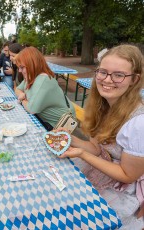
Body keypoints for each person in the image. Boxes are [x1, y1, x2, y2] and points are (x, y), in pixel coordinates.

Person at [57, 44, 144, 229]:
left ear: (134, 80)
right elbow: (97, 149)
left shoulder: (139, 123)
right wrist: (71, 138)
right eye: (102, 72)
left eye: (118, 75)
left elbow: (127, 175)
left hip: (122, 190)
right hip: (102, 172)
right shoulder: (104, 105)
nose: (107, 80)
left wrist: (81, 153)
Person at [14, 46, 75, 131]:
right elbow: (17, 89)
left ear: (32, 64)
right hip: (45, 120)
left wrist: (22, 100)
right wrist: (21, 94)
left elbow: (32, 109)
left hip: (60, 125)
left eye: (22, 67)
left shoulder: (43, 80)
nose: (20, 71)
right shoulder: (31, 77)